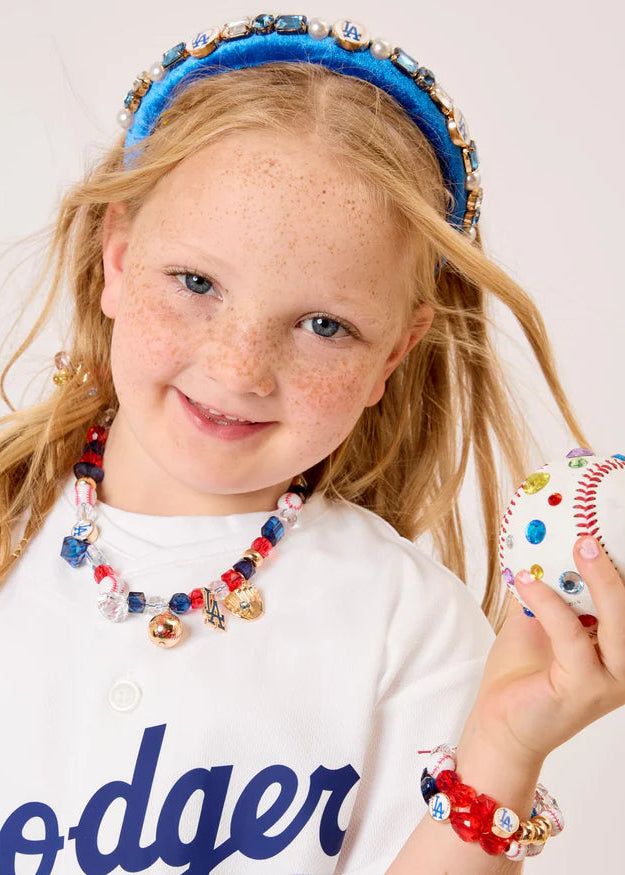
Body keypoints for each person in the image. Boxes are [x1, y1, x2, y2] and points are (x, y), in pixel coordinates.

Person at [0, 12, 623, 874]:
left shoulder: (406, 623)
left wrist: (500, 754)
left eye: (323, 324)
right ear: (116, 258)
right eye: (196, 282)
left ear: (392, 355)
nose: (239, 365)